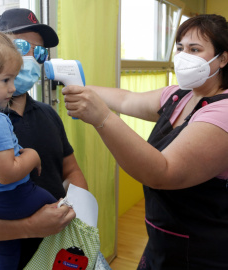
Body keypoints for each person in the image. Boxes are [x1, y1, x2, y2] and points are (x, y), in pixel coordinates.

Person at [62, 14, 228, 270]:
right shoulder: (179, 95)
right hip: (162, 242)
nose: (184, 57)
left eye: (195, 50)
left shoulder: (223, 112)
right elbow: (127, 100)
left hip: (203, 253)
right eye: (181, 48)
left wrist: (101, 117)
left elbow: (162, 173)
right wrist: (75, 86)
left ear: (223, 58)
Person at [0, 8, 86, 270]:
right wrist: (28, 227)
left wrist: (79, 215)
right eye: (21, 46)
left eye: (38, 52)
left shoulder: (48, 114)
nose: (30, 58)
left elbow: (71, 169)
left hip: (53, 255)